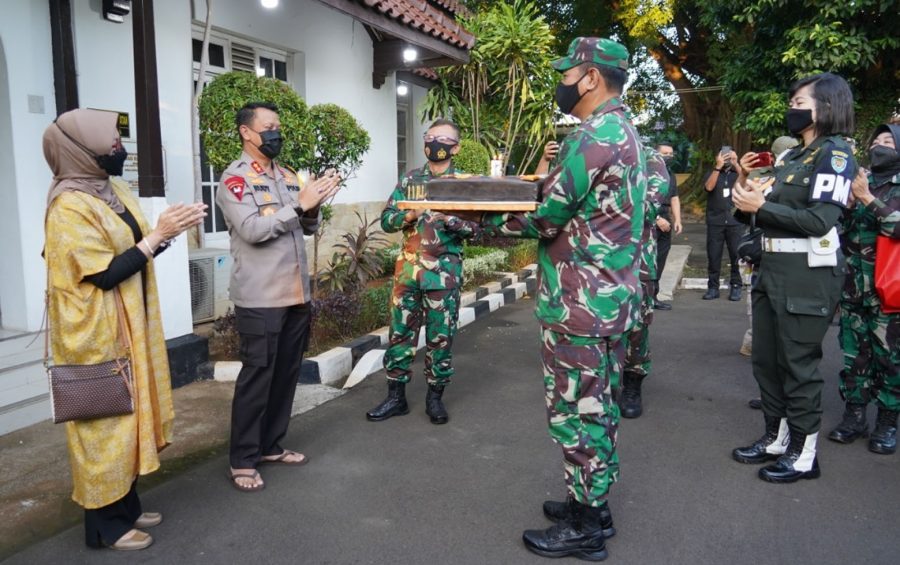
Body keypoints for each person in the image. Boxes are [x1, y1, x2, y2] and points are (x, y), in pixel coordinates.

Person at [482, 37, 645, 560]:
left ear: (591, 77)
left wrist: (474, 218)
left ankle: (585, 529)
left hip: (580, 305)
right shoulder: (625, 132)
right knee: (599, 407)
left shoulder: (594, 136)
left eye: (568, 73)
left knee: (576, 412)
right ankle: (592, 507)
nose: (563, 83)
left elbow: (545, 217)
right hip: (607, 301)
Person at [43, 108, 207, 549]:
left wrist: (166, 229)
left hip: (128, 324)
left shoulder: (110, 189)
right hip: (95, 334)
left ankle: (126, 506)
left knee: (129, 418)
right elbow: (102, 274)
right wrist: (157, 237)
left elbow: (133, 245)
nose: (120, 147)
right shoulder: (68, 206)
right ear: (80, 151)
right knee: (105, 425)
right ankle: (105, 527)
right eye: (111, 141)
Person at [731, 72, 857, 483]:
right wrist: (748, 195)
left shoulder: (835, 155)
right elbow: (764, 207)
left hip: (807, 274)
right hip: (772, 270)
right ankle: (776, 438)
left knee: (797, 364)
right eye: (793, 101)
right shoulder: (794, 158)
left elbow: (820, 221)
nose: (793, 108)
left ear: (827, 107)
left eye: (801, 102)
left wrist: (762, 208)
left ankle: (805, 454)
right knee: (767, 361)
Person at [217, 102, 341, 492]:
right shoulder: (234, 180)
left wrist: (313, 205)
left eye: (278, 127)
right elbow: (253, 230)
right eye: (268, 126)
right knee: (257, 377)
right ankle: (243, 459)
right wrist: (298, 204)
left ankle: (270, 445)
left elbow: (303, 225)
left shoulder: (287, 175)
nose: (276, 133)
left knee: (286, 375)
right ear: (247, 133)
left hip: (294, 293)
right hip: (260, 297)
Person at [366, 119, 482, 425]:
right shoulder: (410, 179)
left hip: (443, 276)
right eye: (430, 137)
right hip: (408, 274)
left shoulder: (464, 184)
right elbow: (387, 220)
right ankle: (396, 398)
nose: (435, 143)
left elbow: (477, 230)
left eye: (443, 139)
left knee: (440, 338)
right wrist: (409, 214)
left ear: (455, 147)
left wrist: (450, 220)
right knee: (400, 335)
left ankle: (435, 399)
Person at [829, 123, 900, 454]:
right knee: (854, 357)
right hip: (854, 289)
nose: (880, 146)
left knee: (890, 360)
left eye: (889, 142)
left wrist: (867, 199)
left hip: (890, 293)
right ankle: (854, 416)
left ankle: (887, 421)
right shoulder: (860, 180)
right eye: (877, 140)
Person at [738, 135, 800, 360]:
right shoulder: (759, 175)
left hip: (789, 249)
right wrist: (744, 175)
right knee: (756, 298)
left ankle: (777, 346)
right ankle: (754, 342)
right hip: (758, 247)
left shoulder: (801, 176)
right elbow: (741, 205)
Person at [621, 147, 671, 419]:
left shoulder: (650, 158)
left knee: (637, 328)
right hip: (596, 265)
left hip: (637, 262)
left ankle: (632, 383)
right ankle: (603, 383)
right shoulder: (591, 154)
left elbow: (649, 207)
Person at [703, 146, 743, 301]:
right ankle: (713, 287)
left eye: (729, 156)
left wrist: (736, 163)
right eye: (724, 156)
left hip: (735, 221)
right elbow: (709, 187)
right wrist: (718, 167)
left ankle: (736, 286)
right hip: (715, 221)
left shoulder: (737, 173)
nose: (726, 159)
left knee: (736, 255)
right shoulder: (712, 172)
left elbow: (747, 184)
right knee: (713, 255)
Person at [653, 141, 682, 310]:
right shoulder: (647, 173)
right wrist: (656, 218)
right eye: (665, 153)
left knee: (660, 260)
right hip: (649, 219)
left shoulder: (671, 174)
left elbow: (674, 198)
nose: (668, 157)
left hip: (665, 217)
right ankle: (643, 299)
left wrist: (677, 219)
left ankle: (654, 296)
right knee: (647, 261)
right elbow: (640, 198)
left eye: (671, 154)